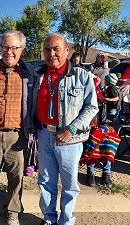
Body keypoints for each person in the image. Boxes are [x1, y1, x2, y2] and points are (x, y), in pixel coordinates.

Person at [30, 33, 98, 225]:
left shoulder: (82, 76)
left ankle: (66, 221)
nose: (51, 54)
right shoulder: (38, 75)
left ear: (67, 50)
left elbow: (91, 107)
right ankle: (49, 218)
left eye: (56, 49)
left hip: (70, 139)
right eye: (47, 50)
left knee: (69, 184)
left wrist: (72, 129)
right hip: (44, 135)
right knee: (45, 181)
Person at [0, 30, 36, 225]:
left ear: (22, 49)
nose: (9, 51)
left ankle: (13, 211)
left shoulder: (29, 74)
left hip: (17, 135)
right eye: (5, 47)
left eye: (14, 47)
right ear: (0, 48)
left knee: (16, 177)